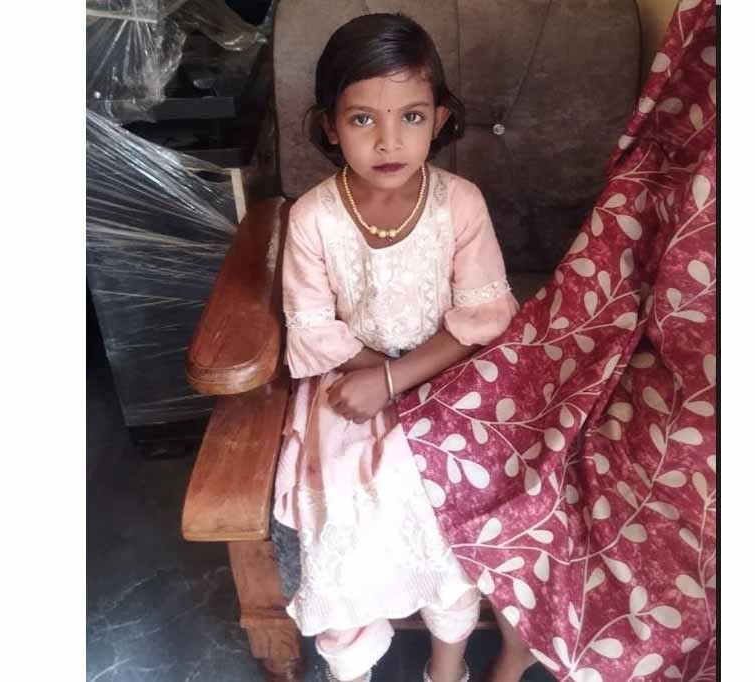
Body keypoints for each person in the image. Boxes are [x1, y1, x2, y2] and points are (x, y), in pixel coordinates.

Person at [272, 13, 533, 682]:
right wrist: (376, 380)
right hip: (347, 381)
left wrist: (397, 379)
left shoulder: (459, 203)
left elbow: (481, 319)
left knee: (460, 486)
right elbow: (314, 327)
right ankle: (353, 658)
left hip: (453, 373)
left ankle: (448, 663)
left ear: (439, 119)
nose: (389, 141)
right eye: (363, 119)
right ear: (330, 126)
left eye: (411, 117)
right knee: (348, 500)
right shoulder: (313, 217)